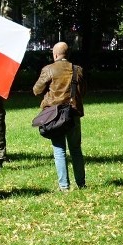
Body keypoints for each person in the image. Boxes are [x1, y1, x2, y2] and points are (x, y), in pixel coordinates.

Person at [33, 42, 86, 191]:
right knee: (75, 149)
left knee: (59, 150)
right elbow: (83, 91)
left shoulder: (49, 69)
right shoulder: (77, 70)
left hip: (54, 116)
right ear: (68, 55)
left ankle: (64, 186)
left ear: (55, 55)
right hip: (73, 113)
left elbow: (36, 90)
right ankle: (81, 183)